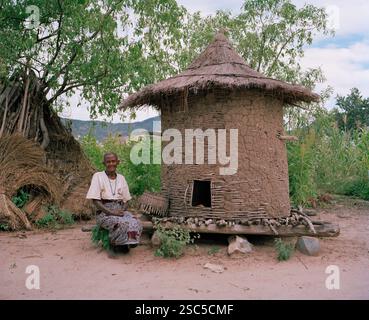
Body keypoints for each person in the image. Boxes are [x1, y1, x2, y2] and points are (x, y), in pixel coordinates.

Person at [86, 152, 142, 254]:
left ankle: (130, 242)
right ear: (104, 163)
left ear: (118, 162)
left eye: (113, 161)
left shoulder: (121, 178)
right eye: (108, 162)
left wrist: (122, 210)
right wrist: (112, 212)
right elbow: (95, 201)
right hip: (104, 212)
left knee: (136, 222)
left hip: (119, 210)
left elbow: (126, 200)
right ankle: (115, 244)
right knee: (121, 223)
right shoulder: (98, 176)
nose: (111, 164)